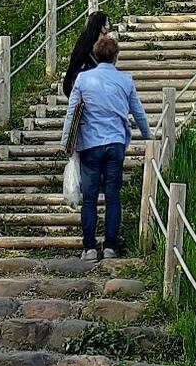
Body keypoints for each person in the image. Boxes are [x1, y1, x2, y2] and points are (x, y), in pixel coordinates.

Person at [62, 32, 150, 260]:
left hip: (90, 144)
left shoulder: (82, 79)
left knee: (89, 198)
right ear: (116, 57)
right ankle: (111, 245)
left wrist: (66, 142)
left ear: (95, 55)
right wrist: (148, 136)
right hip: (115, 144)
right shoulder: (125, 80)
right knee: (113, 195)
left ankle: (89, 247)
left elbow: (72, 112)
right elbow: (138, 112)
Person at [61, 10, 109, 98]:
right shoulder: (93, 49)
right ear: (102, 28)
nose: (109, 27)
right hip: (86, 91)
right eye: (107, 23)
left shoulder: (82, 45)